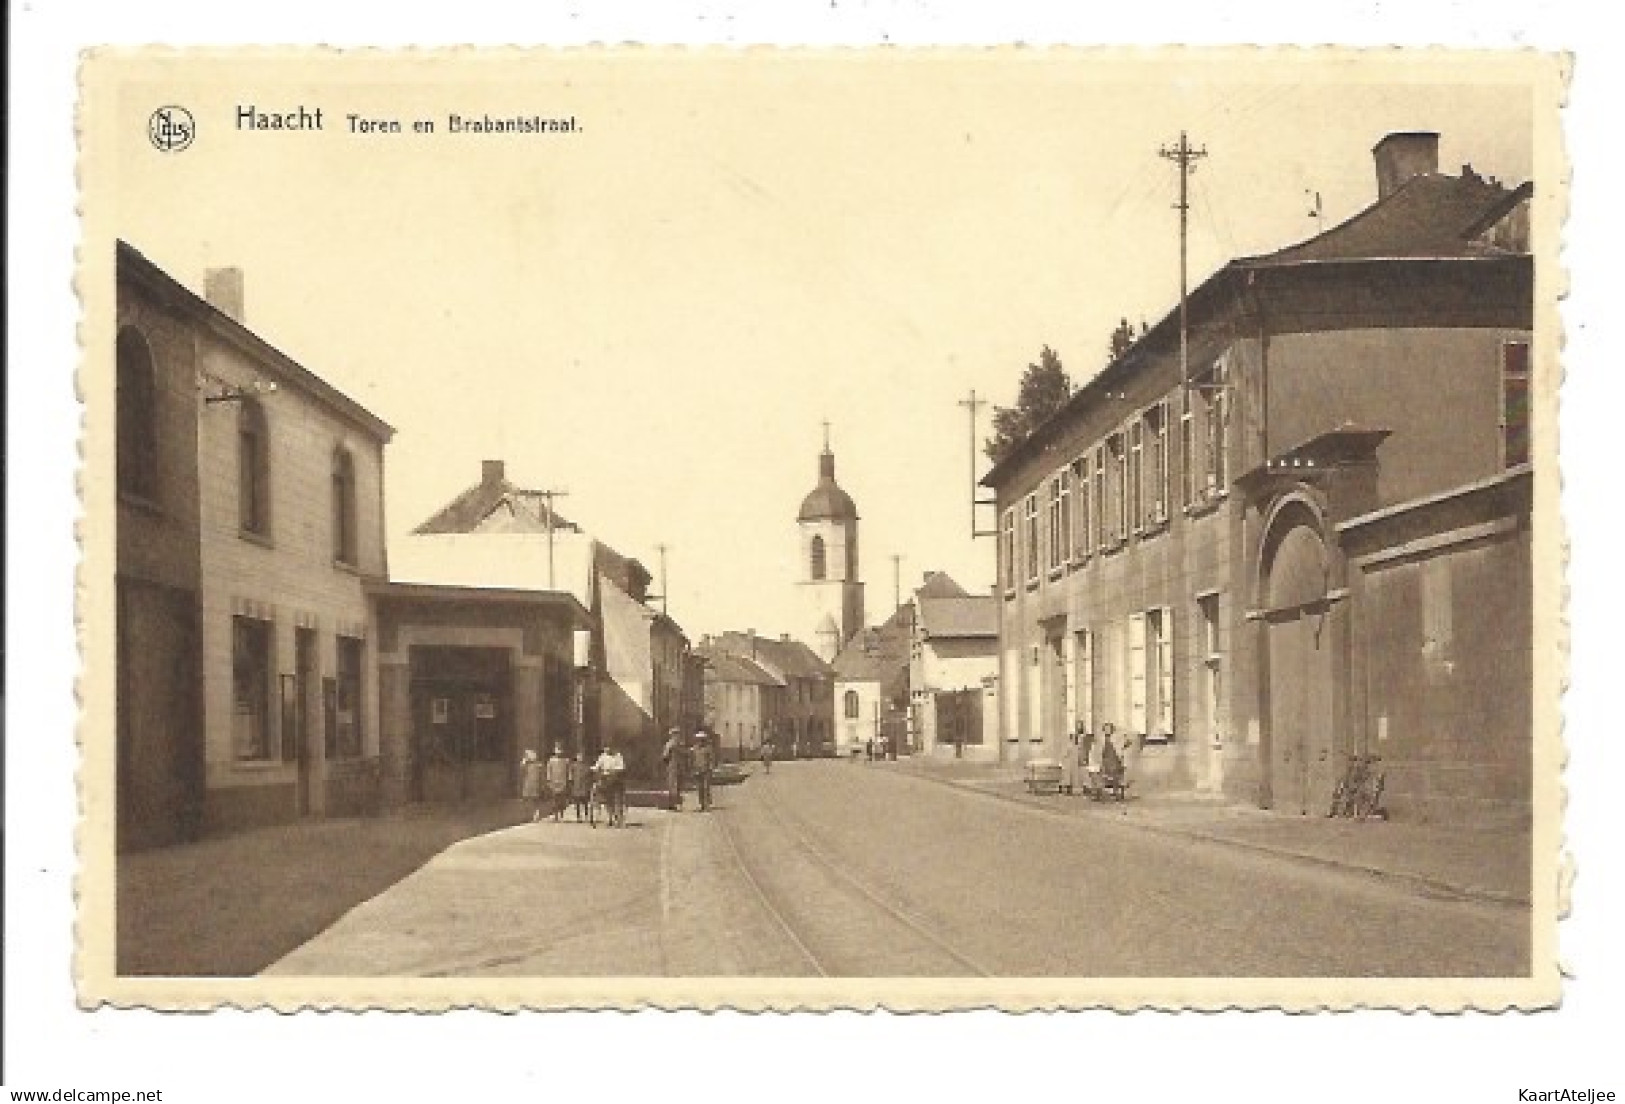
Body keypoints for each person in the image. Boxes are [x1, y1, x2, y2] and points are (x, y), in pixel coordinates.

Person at [592, 742, 627, 828]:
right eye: (605, 748)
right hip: (605, 780)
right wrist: (594, 769)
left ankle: (619, 819)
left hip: (615, 780)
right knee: (607, 799)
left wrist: (613, 770)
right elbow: (597, 766)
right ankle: (610, 817)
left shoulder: (618, 756)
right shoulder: (602, 757)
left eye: (608, 748)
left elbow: (622, 767)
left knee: (617, 800)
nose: (607, 750)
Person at [660, 727, 686, 811]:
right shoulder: (674, 744)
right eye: (675, 734)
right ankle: (673, 804)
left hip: (675, 767)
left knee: (675, 785)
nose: (676, 736)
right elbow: (665, 756)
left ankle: (675, 804)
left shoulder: (671, 744)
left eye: (677, 734)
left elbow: (664, 756)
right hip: (674, 767)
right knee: (674, 785)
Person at [690, 729, 716, 812]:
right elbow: (691, 759)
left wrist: (711, 768)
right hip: (697, 770)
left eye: (702, 739)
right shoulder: (694, 749)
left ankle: (707, 804)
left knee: (706, 787)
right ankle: (701, 804)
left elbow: (712, 759)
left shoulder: (708, 748)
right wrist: (692, 769)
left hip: (706, 770)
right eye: (698, 739)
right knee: (700, 788)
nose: (700, 741)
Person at [544, 744, 571, 822]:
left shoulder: (566, 760)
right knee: (554, 799)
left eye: (559, 751)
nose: (558, 752)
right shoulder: (551, 760)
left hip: (563, 781)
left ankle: (561, 813)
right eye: (557, 751)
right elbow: (549, 770)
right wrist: (548, 779)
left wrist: (569, 779)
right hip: (554, 781)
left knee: (562, 799)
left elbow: (568, 771)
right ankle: (555, 815)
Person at [519, 749, 546, 822]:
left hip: (535, 784)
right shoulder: (526, 765)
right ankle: (527, 815)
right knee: (526, 799)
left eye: (527, 756)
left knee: (535, 800)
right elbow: (521, 770)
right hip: (528, 784)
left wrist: (542, 785)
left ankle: (536, 814)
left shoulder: (538, 765)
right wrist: (524, 762)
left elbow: (542, 776)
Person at [567, 750, 593, 823]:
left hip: (584, 786)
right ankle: (578, 817)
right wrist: (571, 781)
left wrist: (588, 784)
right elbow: (570, 775)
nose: (580, 758)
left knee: (585, 802)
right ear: (576, 757)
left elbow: (589, 775)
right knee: (577, 802)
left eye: (581, 757)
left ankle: (586, 815)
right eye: (578, 756)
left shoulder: (586, 765)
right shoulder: (574, 765)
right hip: (577, 785)